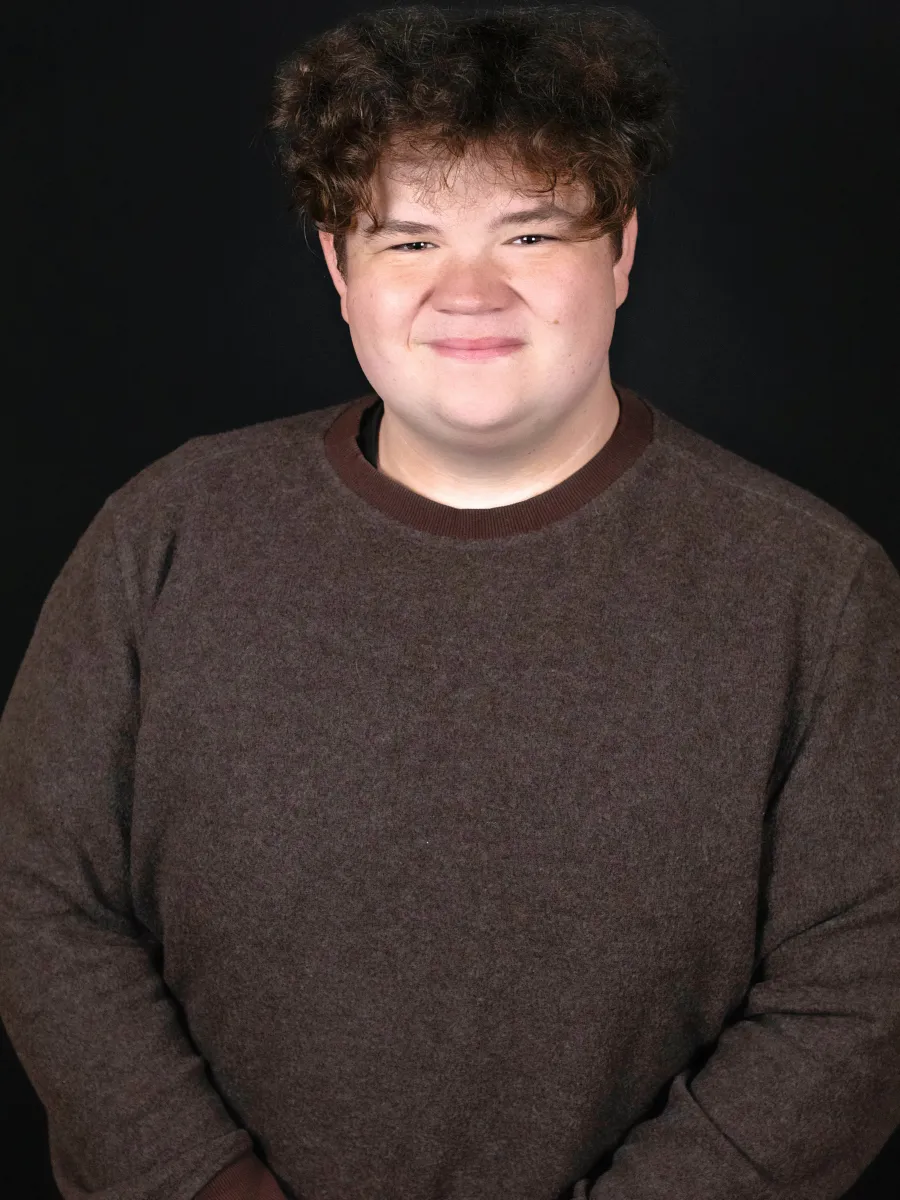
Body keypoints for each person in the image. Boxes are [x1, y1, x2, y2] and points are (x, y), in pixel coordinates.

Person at [1, 4, 899, 1199]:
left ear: (621, 251)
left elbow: (859, 995)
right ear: (338, 267)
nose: (467, 293)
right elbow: (35, 891)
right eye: (410, 243)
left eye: (529, 236)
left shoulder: (818, 593)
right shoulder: (165, 533)